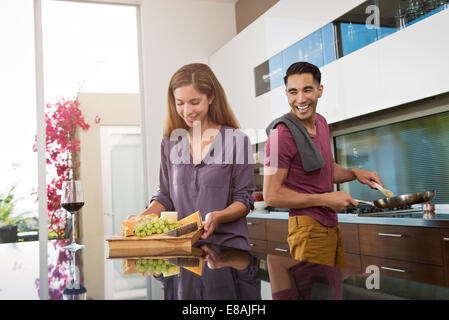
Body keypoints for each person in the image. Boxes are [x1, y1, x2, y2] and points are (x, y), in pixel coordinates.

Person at [263, 61, 384, 267]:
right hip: (307, 230)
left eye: (307, 90)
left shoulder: (321, 122)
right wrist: (326, 199)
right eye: (293, 92)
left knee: (333, 292)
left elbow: (325, 169)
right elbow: (271, 195)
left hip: (330, 224)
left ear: (320, 91)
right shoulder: (280, 136)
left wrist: (354, 173)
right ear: (287, 94)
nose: (300, 99)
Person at [130, 63, 255, 250]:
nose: (187, 111)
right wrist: (143, 217)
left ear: (211, 97)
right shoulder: (170, 143)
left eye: (194, 102)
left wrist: (218, 216)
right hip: (183, 249)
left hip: (227, 249)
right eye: (180, 103)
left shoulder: (237, 141)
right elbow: (165, 196)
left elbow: (244, 199)